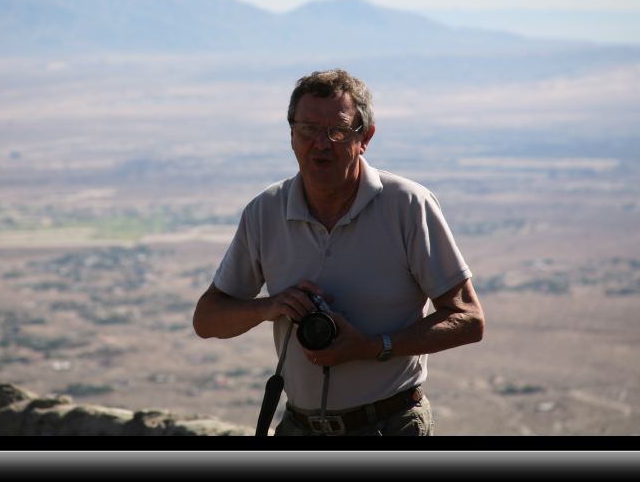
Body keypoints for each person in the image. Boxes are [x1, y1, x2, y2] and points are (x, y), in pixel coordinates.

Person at [192, 69, 484, 436]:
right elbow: (206, 319)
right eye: (308, 130)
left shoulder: (408, 205)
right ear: (292, 135)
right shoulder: (265, 211)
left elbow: (468, 319)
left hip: (390, 424)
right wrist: (270, 307)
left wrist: (373, 347)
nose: (321, 144)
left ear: (366, 137)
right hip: (299, 426)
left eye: (338, 131)